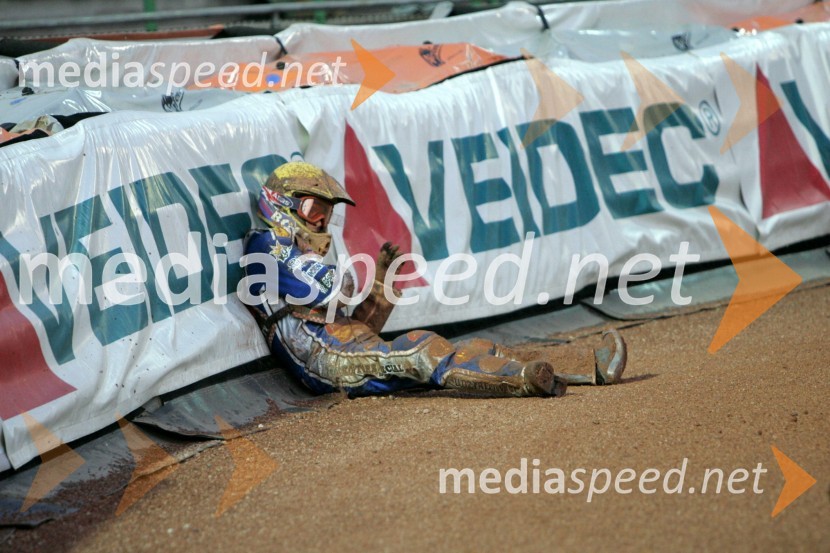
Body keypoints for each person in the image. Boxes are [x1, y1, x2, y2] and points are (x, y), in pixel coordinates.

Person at [243, 161, 627, 398]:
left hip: (338, 355)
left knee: (479, 347)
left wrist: (380, 291)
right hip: (322, 362)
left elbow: (359, 332)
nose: (321, 221)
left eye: (325, 214)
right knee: (421, 350)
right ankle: (526, 381)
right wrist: (341, 281)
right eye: (313, 209)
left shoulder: (297, 256)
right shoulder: (265, 243)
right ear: (282, 204)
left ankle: (584, 372)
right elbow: (330, 291)